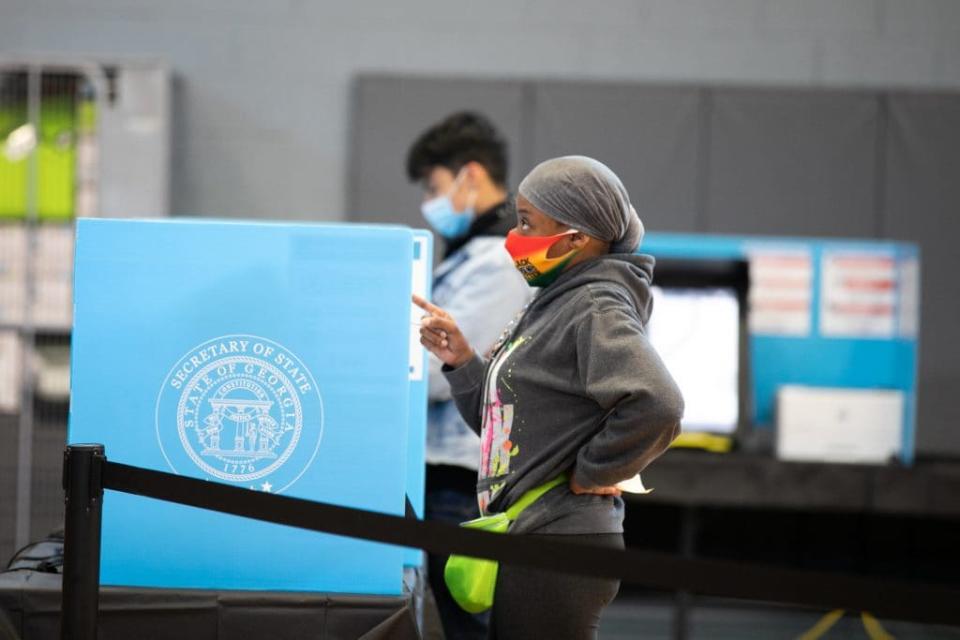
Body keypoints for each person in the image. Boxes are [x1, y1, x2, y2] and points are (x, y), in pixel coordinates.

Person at [414, 155, 684, 640]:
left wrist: (593, 471)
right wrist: (462, 361)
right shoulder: (552, 302)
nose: (514, 237)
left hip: (561, 535)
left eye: (526, 223)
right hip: (532, 533)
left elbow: (659, 405)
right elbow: (506, 428)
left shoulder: (596, 306)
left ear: (577, 237)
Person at [406, 112, 533, 639]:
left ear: (471, 175)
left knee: (469, 628)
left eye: (436, 187)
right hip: (446, 477)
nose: (432, 203)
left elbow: (443, 372)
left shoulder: (499, 264)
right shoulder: (471, 257)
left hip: (465, 482)